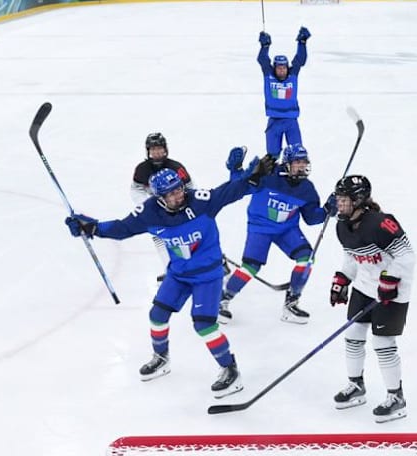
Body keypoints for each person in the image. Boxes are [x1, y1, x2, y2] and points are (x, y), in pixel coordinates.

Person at [64, 152, 276, 398]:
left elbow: (231, 190)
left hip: (208, 275)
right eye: (171, 194)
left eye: (179, 190)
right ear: (159, 197)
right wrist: (91, 227)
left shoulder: (201, 201)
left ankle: (230, 370)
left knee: (204, 325)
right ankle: (161, 358)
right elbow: (122, 229)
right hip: (178, 274)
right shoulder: (149, 212)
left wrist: (254, 178)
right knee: (157, 315)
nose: (178, 196)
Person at [329, 174, 416, 423]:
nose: (339, 204)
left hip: (393, 293)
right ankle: (356, 386)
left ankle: (396, 397)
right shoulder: (341, 226)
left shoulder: (382, 223)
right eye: (338, 199)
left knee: (382, 343)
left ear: (358, 200)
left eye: (344, 200)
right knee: (353, 335)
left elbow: (407, 257)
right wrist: (343, 278)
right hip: (365, 288)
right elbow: (352, 257)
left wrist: (391, 279)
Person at [220, 144, 329, 324]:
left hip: (287, 229)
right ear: (286, 163)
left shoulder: (307, 188)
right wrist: (235, 169)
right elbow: (238, 186)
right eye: (297, 162)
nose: (301, 166)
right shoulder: (268, 174)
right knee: (250, 268)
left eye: (304, 162)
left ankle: (291, 304)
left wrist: (327, 209)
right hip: (260, 227)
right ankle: (223, 299)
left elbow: (311, 218)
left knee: (306, 259)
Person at [131, 133, 195, 283]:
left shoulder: (176, 167)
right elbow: (135, 189)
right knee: (159, 238)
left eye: (159, 149)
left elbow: (190, 187)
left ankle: (216, 261)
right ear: (148, 151)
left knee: (191, 236)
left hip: (178, 207)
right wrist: (147, 205)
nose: (157, 153)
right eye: (153, 150)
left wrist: (184, 204)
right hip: (158, 212)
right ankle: (170, 268)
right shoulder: (142, 169)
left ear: (165, 149)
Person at [257, 27, 310, 157]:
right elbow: (262, 60)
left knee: (298, 153)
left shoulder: (293, 75)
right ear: (274, 68)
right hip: (274, 119)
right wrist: (265, 46)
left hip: (291, 120)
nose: (281, 70)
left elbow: (300, 60)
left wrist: (302, 43)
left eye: (284, 67)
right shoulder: (268, 75)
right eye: (279, 68)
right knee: (271, 156)